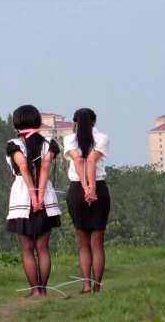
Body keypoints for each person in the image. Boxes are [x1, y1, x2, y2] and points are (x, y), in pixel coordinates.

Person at [6, 104, 62, 296]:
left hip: (22, 198)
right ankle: (44, 290)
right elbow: (45, 168)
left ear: (17, 124)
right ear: (38, 122)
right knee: (43, 248)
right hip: (46, 199)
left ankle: (35, 291)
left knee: (27, 249)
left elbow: (23, 167)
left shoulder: (14, 144)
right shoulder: (49, 143)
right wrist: (39, 196)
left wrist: (32, 196)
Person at [64, 108, 111, 293]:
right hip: (98, 187)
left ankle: (86, 284)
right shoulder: (102, 138)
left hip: (77, 190)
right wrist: (91, 189)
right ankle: (97, 287)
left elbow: (79, 161)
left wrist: (85, 188)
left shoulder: (69, 139)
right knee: (97, 243)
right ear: (94, 121)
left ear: (75, 123)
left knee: (83, 243)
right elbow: (91, 160)